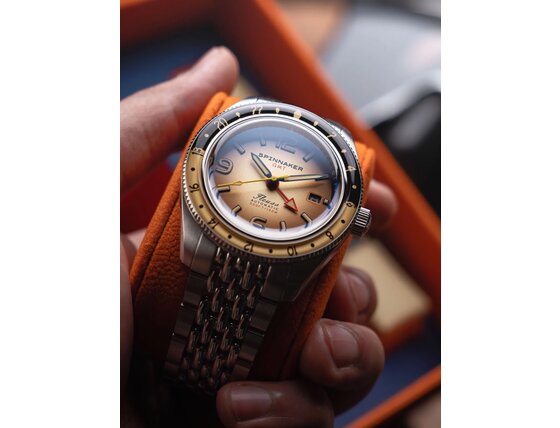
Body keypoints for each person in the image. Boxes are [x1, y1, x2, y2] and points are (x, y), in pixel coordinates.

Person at [121, 47, 397, 427]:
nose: (273, 182)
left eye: (285, 180)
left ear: (352, 218)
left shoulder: (347, 180)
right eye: (269, 175)